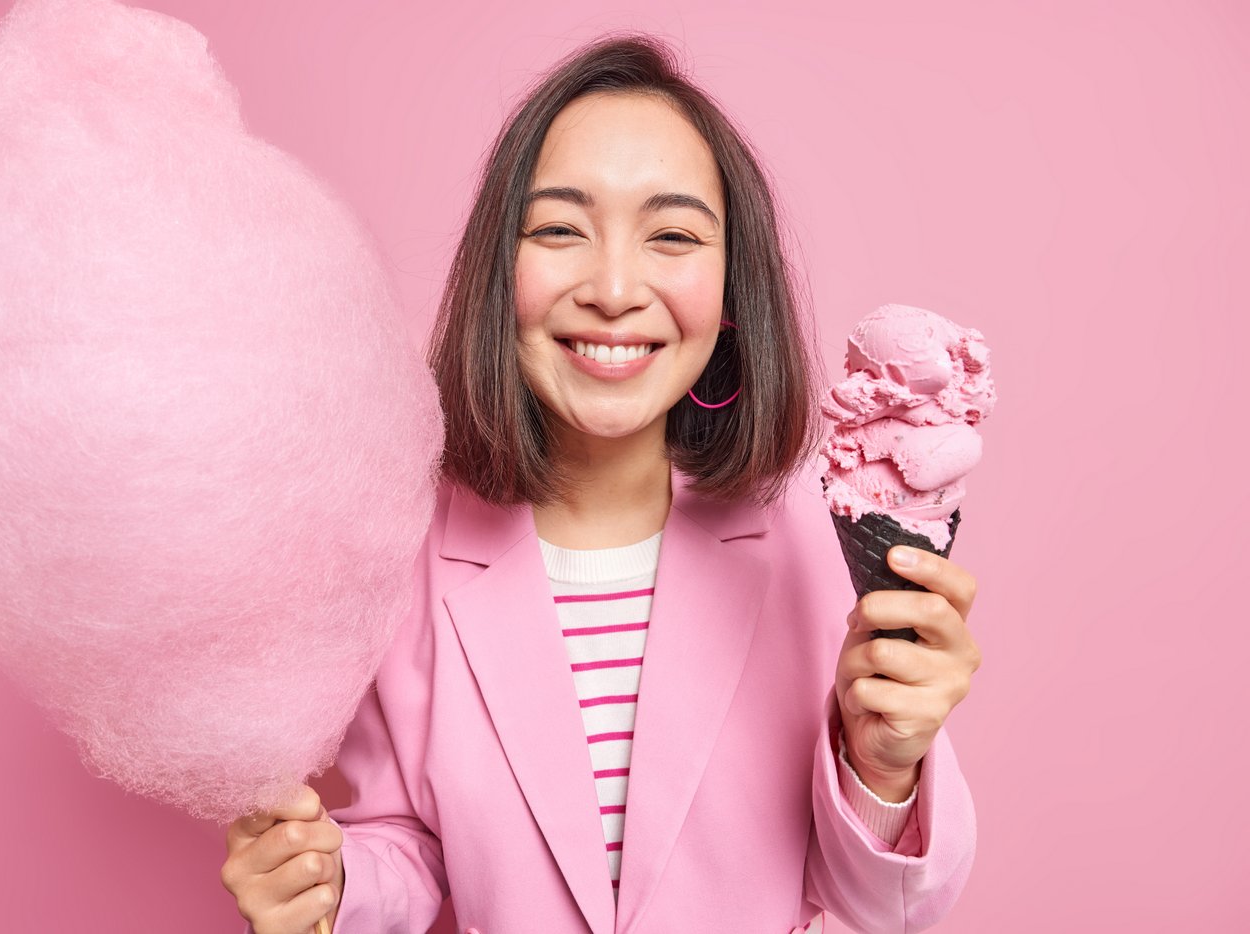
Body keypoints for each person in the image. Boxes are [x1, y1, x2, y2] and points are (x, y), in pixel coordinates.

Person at [222, 33, 980, 934]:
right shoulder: (399, 556)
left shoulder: (815, 543)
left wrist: (885, 766)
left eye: (671, 235)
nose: (615, 288)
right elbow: (412, 843)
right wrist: (333, 887)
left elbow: (885, 907)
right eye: (558, 229)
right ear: (502, 274)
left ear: (733, 291)